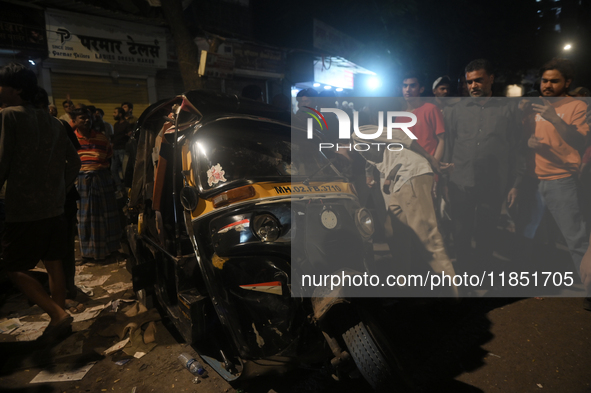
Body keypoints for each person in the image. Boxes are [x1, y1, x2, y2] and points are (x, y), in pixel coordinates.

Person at [0, 63, 81, 341]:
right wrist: (61, 187)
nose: (0, 90)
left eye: (4, 86)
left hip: (24, 208)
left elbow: (1, 162)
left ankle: (57, 314)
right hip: (54, 206)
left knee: (12, 267)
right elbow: (75, 163)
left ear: (17, 89)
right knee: (54, 263)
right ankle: (60, 322)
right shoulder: (55, 123)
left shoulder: (9, 116)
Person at [354, 123, 457, 296]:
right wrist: (384, 179)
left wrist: (430, 158)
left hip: (412, 175)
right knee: (394, 234)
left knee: (428, 238)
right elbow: (391, 159)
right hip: (401, 181)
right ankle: (404, 290)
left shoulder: (358, 134)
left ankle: (453, 294)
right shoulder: (362, 151)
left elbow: (400, 135)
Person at [444, 59, 523, 274]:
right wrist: (444, 181)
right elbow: (449, 146)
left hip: (493, 183)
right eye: (469, 82)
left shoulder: (508, 109)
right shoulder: (456, 111)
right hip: (461, 182)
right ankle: (462, 274)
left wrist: (516, 183)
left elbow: (516, 148)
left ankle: (482, 273)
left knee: (486, 232)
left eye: (478, 80)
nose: (473, 86)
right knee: (460, 232)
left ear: (491, 79)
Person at [527, 58, 589, 281]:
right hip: (538, 179)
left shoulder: (577, 106)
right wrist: (531, 143)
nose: (547, 85)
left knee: (576, 239)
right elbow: (542, 138)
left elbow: (579, 140)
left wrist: (555, 119)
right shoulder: (540, 105)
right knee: (542, 237)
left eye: (554, 81)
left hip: (563, 180)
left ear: (567, 82)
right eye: (544, 80)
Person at [72, 107, 122, 261]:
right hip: (82, 182)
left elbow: (108, 158)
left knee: (108, 215)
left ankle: (111, 249)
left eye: (88, 117)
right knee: (86, 217)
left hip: (102, 179)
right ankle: (88, 253)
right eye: (82, 118)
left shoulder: (101, 138)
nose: (87, 120)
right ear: (75, 121)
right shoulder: (71, 139)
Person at [112, 107, 131, 198]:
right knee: (113, 170)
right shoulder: (116, 124)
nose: (113, 114)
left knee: (124, 170)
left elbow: (129, 135)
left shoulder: (126, 124)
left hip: (122, 149)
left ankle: (127, 190)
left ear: (120, 114)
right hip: (115, 150)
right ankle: (120, 189)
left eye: (115, 112)